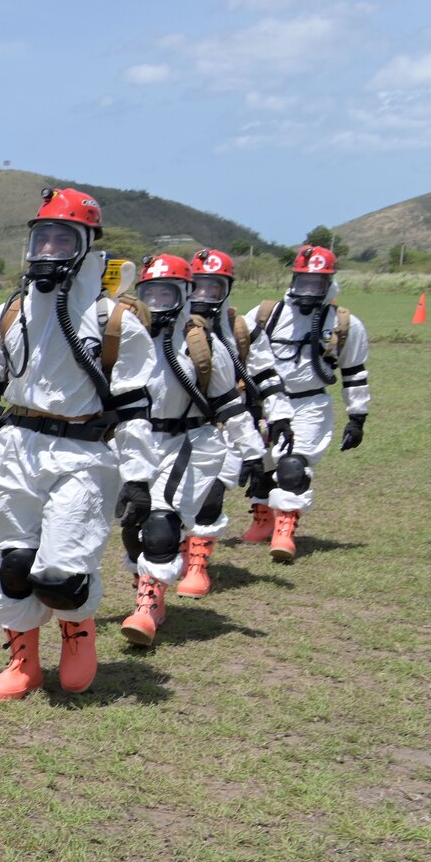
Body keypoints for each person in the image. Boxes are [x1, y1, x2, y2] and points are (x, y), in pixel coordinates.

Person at [0, 187, 158, 698]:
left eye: (63, 239)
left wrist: (139, 477)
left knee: (62, 572)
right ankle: (24, 661)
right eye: (42, 238)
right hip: (15, 446)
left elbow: (133, 408)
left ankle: (78, 636)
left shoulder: (114, 322)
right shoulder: (7, 315)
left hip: (82, 452)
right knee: (16, 563)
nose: (49, 250)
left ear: (87, 246)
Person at [113, 254, 267, 645]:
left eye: (169, 293)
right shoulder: (125, 335)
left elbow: (229, 404)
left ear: (185, 294)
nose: (159, 302)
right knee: (133, 526)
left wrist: (252, 452)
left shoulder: (202, 342)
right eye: (152, 293)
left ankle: (146, 608)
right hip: (135, 442)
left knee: (162, 524)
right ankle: (151, 590)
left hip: (189, 440)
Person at [238, 245, 372, 561]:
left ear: (329, 284)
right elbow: (235, 351)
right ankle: (263, 518)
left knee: (293, 465)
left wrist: (358, 416)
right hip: (264, 402)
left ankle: (284, 529)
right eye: (304, 282)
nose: (309, 290)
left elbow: (354, 372)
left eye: (317, 283)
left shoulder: (344, 324)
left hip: (309, 404)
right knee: (261, 464)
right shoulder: (265, 314)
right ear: (294, 279)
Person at [180, 248, 290, 595]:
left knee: (211, 494)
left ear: (227, 288)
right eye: (198, 286)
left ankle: (197, 565)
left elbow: (266, 373)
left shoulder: (241, 328)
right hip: (176, 427)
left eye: (214, 287)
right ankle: (177, 553)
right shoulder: (167, 325)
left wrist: (280, 415)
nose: (204, 295)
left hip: (226, 425)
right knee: (175, 500)